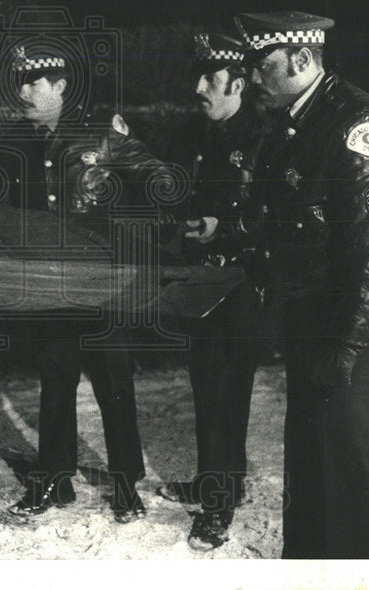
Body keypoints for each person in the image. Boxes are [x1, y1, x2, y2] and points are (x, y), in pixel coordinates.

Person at [237, 11, 369, 559]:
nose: (255, 79)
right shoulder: (298, 118)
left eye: (264, 66)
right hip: (311, 316)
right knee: (308, 458)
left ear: (304, 60)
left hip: (354, 320)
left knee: (344, 464)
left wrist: (347, 343)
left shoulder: (363, 127)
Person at [0, 45, 173, 523]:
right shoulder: (16, 142)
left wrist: (139, 236)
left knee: (113, 379)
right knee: (55, 377)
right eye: (21, 83)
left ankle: (125, 482)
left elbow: (155, 176)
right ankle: (55, 477)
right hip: (50, 286)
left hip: (102, 284)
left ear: (60, 87)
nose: (24, 92)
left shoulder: (102, 134)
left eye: (35, 83)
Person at [156, 32, 269, 550]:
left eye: (211, 79)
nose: (199, 86)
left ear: (239, 84)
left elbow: (271, 212)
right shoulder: (198, 134)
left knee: (227, 391)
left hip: (243, 281)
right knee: (205, 382)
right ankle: (213, 482)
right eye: (199, 76)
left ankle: (219, 505)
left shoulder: (265, 135)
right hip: (201, 279)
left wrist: (220, 226)